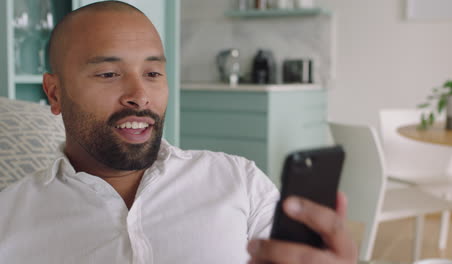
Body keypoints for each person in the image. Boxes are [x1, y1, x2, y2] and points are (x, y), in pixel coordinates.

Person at [0, 1, 357, 263]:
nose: (140, 96)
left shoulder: (240, 181)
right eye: (109, 74)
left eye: (153, 74)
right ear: (54, 93)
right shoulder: (8, 217)